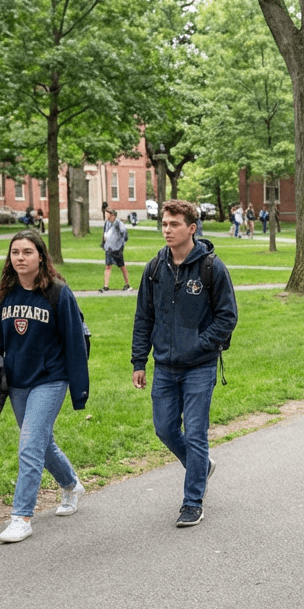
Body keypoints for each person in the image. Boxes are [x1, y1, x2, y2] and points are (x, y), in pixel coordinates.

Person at [132, 199, 239, 528]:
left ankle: (192, 501)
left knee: (195, 432)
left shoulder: (211, 268)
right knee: (164, 428)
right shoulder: (153, 269)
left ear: (192, 228)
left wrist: (199, 345)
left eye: (174, 224)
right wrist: (139, 360)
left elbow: (227, 317)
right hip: (164, 366)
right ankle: (201, 465)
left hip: (200, 367)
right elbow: (143, 318)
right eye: (164, 224)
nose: (167, 229)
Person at [0, 230, 89, 544]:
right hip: (17, 382)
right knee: (42, 444)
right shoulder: (4, 293)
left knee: (29, 445)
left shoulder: (58, 293)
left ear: (41, 256)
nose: (20, 258)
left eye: (27, 252)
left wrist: (79, 389)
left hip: (51, 379)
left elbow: (74, 343)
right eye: (15, 252)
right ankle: (71, 486)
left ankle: (21, 517)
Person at [100, 209, 132, 292]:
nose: (106, 216)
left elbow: (124, 233)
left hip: (116, 249)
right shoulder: (107, 223)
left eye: (107, 214)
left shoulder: (118, 223)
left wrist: (121, 243)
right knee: (108, 266)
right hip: (109, 248)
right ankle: (105, 286)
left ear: (112, 215)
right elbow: (105, 234)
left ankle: (127, 284)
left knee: (122, 266)